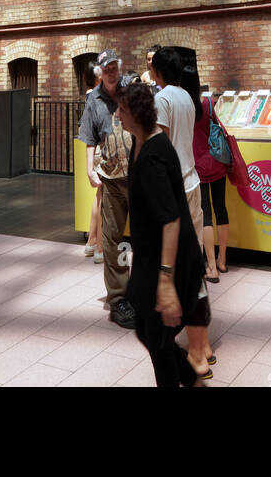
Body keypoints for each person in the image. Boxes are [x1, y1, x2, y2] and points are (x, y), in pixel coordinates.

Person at [116, 79, 208, 387]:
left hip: (173, 260)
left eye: (122, 109)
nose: (118, 115)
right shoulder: (138, 142)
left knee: (156, 336)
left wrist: (166, 282)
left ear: (137, 113)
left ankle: (186, 380)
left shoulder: (154, 153)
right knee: (146, 328)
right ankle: (192, 380)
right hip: (150, 256)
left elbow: (171, 221)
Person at [152, 48, 213, 376]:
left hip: (175, 189)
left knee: (181, 270)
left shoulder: (162, 100)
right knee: (194, 263)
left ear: (158, 71)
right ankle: (202, 344)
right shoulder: (189, 98)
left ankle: (197, 352)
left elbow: (160, 149)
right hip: (192, 184)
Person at [77, 49, 135, 328]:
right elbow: (88, 136)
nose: (111, 72)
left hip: (137, 174)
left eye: (114, 67)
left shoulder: (130, 90)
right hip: (111, 178)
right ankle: (118, 297)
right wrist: (90, 169)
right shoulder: (94, 100)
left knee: (145, 232)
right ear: (99, 72)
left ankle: (141, 289)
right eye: (106, 68)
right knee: (112, 237)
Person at [188, 73, 229, 280]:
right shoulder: (209, 103)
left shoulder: (185, 108)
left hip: (198, 167)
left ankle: (211, 267)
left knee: (205, 214)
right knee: (221, 208)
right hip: (217, 162)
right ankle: (222, 260)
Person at [82, 65, 104, 262]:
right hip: (101, 148)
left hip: (96, 148)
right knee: (105, 198)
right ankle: (99, 246)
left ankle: (91, 241)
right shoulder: (95, 95)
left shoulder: (91, 95)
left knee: (99, 196)